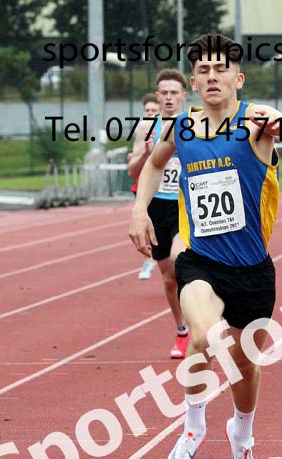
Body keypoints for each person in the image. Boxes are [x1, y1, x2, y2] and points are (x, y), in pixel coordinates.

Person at [128, 34, 282, 459]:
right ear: (194, 81)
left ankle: (242, 435)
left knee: (244, 364)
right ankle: (192, 427)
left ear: (238, 78)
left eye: (221, 70)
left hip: (254, 271)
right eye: (203, 70)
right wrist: (139, 210)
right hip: (201, 262)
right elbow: (154, 167)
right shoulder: (181, 128)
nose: (211, 76)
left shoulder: (256, 122)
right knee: (201, 336)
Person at [128, 70, 190, 357]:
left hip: (186, 205)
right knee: (168, 277)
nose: (168, 97)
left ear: (184, 95)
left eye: (173, 92)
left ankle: (203, 318)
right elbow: (132, 171)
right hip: (158, 207)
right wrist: (146, 155)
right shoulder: (145, 128)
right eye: (163, 92)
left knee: (182, 261)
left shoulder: (194, 124)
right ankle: (182, 331)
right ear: (157, 94)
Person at [130, 93, 160, 280]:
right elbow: (133, 166)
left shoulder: (171, 126)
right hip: (144, 186)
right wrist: (141, 156)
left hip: (170, 191)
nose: (150, 113)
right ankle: (150, 257)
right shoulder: (142, 130)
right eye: (147, 110)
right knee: (147, 220)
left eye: (153, 111)